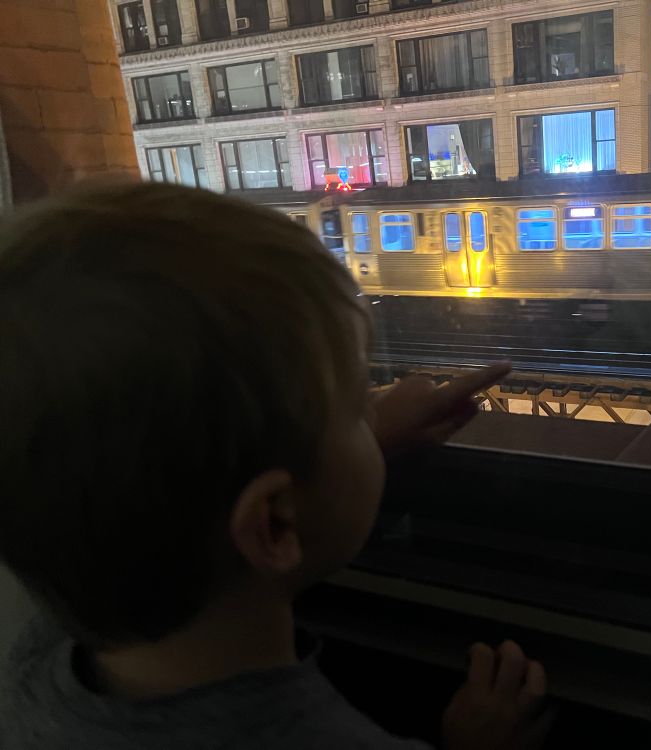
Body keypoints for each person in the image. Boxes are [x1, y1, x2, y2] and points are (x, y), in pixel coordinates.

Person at [0, 182, 551, 749]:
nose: (373, 409)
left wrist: (359, 444)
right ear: (275, 523)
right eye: (359, 406)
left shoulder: (29, 669)